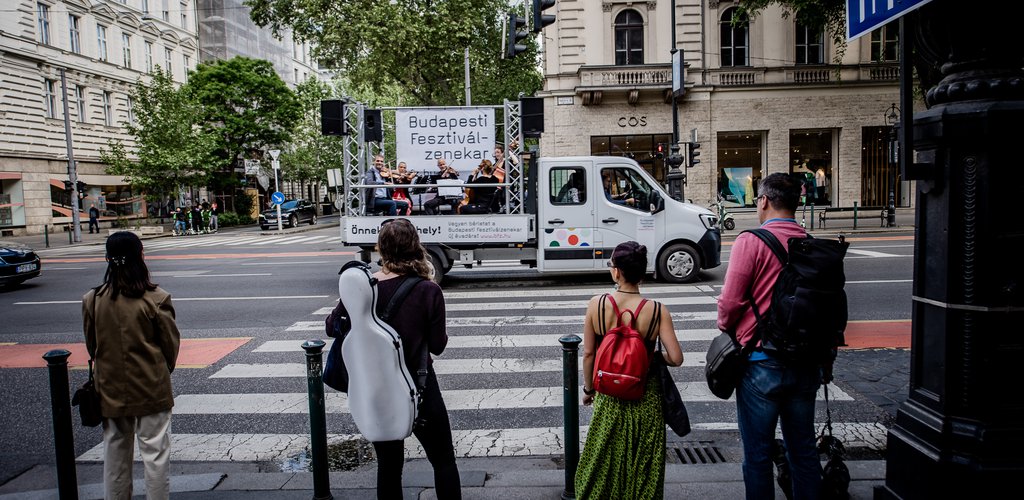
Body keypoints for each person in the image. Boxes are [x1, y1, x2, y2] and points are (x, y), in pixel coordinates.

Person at [335, 218, 461, 499]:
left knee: (389, 467)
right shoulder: (428, 290)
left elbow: (334, 326)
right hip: (421, 388)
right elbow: (438, 346)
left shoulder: (364, 288)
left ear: (381, 249)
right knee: (443, 461)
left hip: (379, 390)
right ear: (416, 246)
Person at [717, 172, 824, 499]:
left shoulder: (750, 242)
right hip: (805, 361)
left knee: (759, 455)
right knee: (804, 451)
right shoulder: (811, 243)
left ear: (763, 201)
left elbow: (730, 304)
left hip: (762, 361)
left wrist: (726, 324)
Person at [576, 241, 683, 499]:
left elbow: (589, 354)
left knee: (604, 461)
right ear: (642, 273)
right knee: (643, 465)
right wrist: (655, 355)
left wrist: (589, 389)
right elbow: (677, 358)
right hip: (645, 398)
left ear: (617, 272)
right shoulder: (657, 311)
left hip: (609, 398)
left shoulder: (596, 305)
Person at [83, 231, 181, 500]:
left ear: (107, 259)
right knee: (156, 455)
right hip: (151, 386)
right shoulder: (156, 298)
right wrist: (159, 369)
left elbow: (93, 346)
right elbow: (170, 347)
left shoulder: (92, 299)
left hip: (110, 387)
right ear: (141, 257)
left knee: (114, 456)